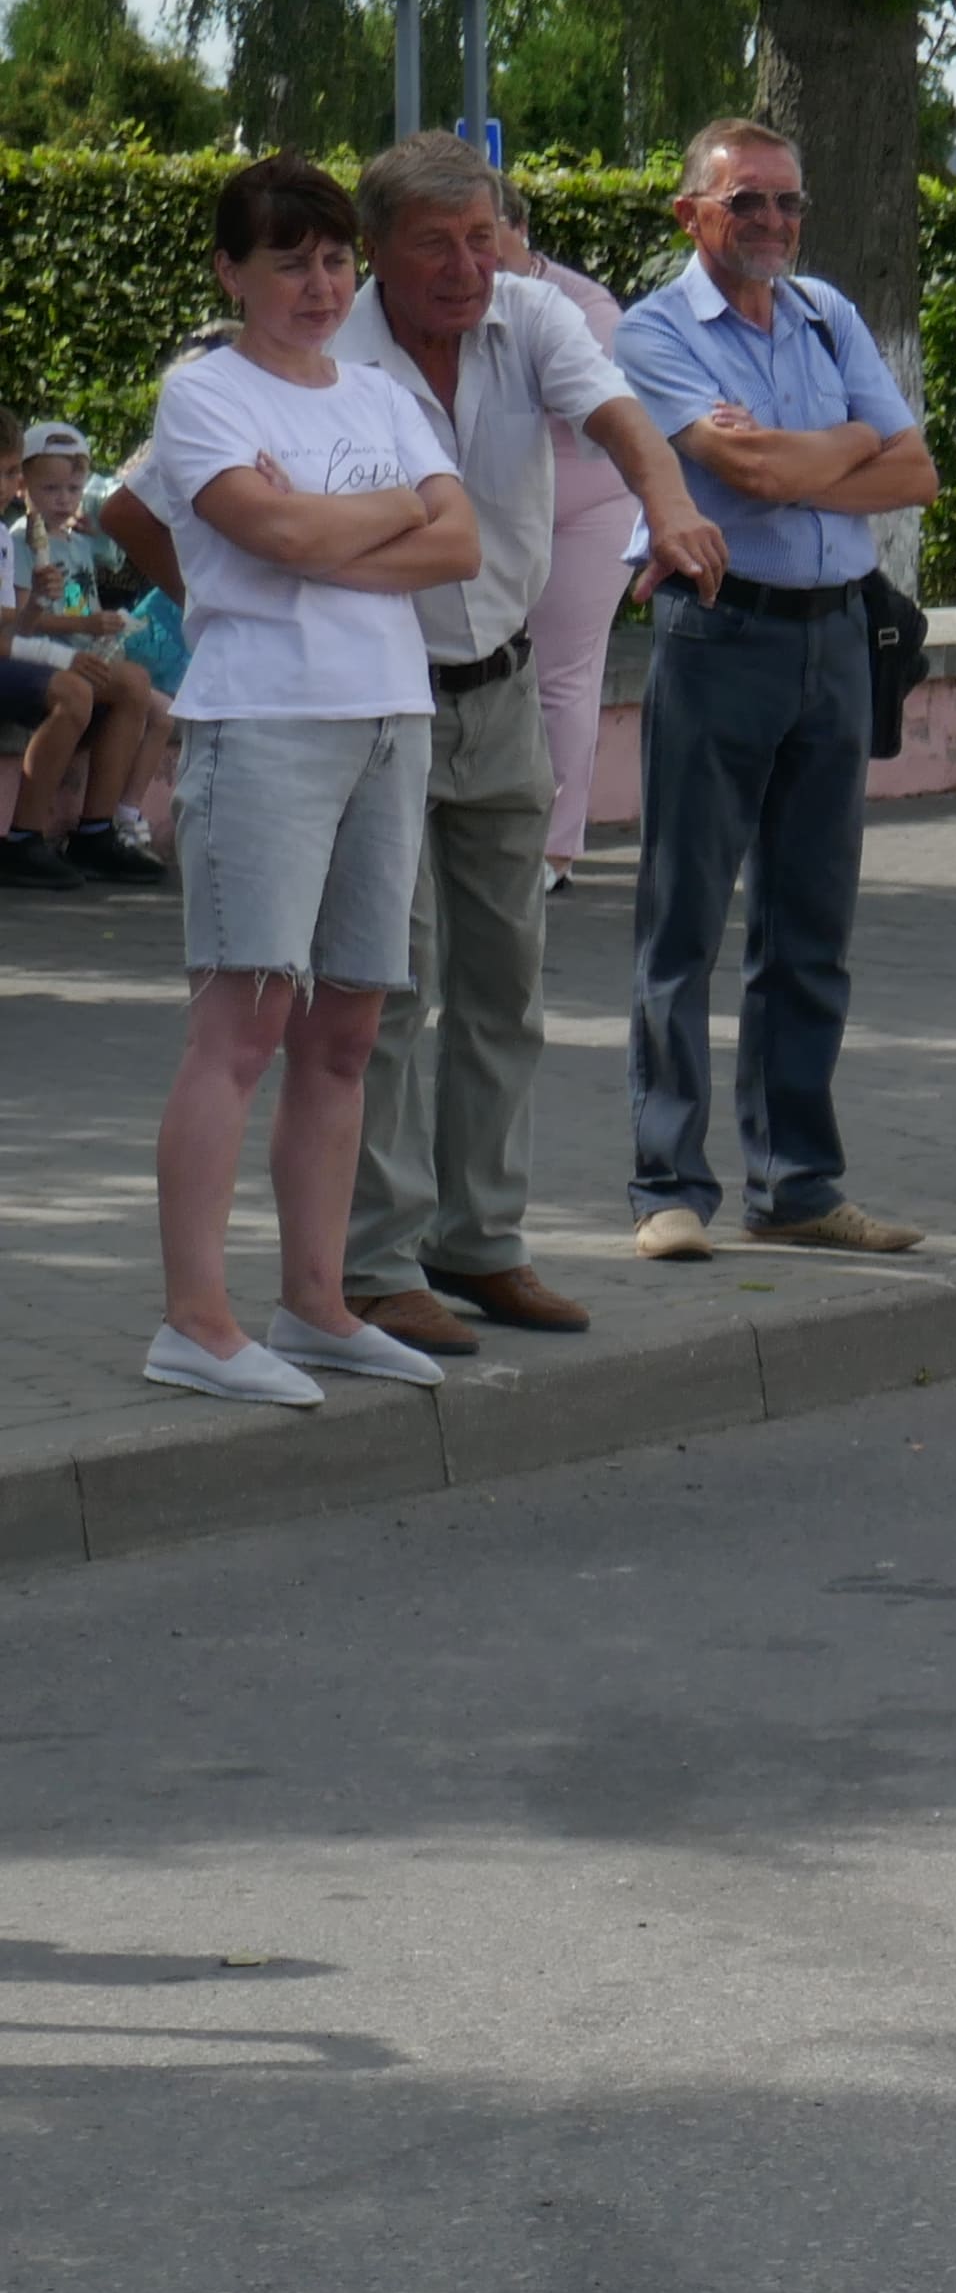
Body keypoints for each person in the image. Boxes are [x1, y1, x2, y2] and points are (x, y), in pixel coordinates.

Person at [330, 133, 728, 1358]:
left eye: (483, 236)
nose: (465, 265)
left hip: (498, 694)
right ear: (377, 253)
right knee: (388, 993)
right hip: (376, 702)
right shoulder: (332, 350)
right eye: (434, 243)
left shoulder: (536, 316)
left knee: (505, 984)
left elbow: (624, 423)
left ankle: (482, 1242)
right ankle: (376, 1263)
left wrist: (670, 508)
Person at [127, 156, 482, 1404]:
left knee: (347, 1030)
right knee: (242, 1030)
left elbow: (462, 545)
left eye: (334, 260)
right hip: (265, 727)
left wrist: (330, 532)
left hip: (389, 720)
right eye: (291, 263)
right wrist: (376, 525)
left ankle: (317, 1303)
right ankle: (196, 1319)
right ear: (233, 272)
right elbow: (264, 536)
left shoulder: (383, 397)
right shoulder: (203, 395)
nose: (321, 285)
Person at [611, 117, 942, 1264]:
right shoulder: (654, 331)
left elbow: (921, 473)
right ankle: (667, 1185)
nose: (772, 224)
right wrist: (844, 446)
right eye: (745, 201)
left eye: (787, 203)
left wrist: (806, 451)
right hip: (722, 632)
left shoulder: (827, 311)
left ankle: (799, 1183)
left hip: (837, 640)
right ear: (692, 213)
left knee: (811, 928)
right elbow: (742, 469)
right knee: (685, 923)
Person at [496, 214, 644, 888]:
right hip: (500, 506)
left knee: (560, 673)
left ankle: (553, 849)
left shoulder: (585, 307)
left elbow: (601, 408)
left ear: (519, 227)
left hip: (588, 509)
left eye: (483, 230)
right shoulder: (445, 297)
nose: (468, 249)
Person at [7, 418, 166, 885]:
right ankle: (30, 836)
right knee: (110, 686)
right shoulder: (20, 540)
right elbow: (22, 622)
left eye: (73, 489)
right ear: (25, 487)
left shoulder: (76, 542)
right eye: (51, 488)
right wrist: (86, 623)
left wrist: (97, 521)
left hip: (80, 652)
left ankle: (97, 830)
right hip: (42, 653)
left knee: (137, 686)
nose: (63, 499)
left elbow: (116, 546)